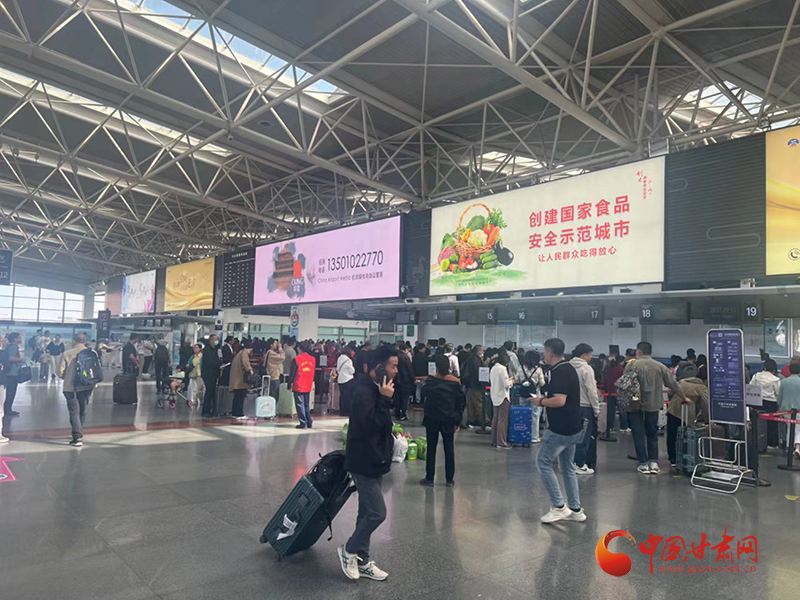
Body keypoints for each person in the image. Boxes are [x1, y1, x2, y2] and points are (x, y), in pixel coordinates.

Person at [339, 345, 398, 582]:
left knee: (365, 512)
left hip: (376, 459)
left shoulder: (377, 387)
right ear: (379, 367)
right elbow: (370, 425)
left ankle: (362, 560)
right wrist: (384, 400)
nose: (396, 371)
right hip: (362, 460)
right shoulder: (362, 390)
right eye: (393, 366)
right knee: (377, 513)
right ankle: (349, 549)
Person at [533, 338, 586, 524]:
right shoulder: (567, 368)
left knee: (542, 462)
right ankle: (576, 509)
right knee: (567, 466)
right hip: (573, 427)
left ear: (550, 352)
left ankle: (559, 507)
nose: (543, 355)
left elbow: (559, 400)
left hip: (560, 429)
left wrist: (540, 401)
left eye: (544, 352)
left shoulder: (560, 371)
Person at [625, 342, 687, 474]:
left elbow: (624, 384)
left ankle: (643, 463)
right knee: (652, 433)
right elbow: (673, 385)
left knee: (638, 434)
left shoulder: (631, 365)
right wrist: (684, 398)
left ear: (639, 352)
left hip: (635, 405)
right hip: (653, 405)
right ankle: (653, 462)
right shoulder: (660, 366)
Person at [420, 354, 465, 487]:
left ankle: (429, 478)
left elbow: (423, 393)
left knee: (431, 448)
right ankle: (449, 479)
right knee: (449, 449)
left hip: (432, 419)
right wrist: (457, 420)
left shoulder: (431, 381)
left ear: (437, 367)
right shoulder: (455, 383)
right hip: (449, 419)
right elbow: (461, 403)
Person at [58, 333, 98, 447]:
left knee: (73, 411)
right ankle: (79, 431)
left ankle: (77, 437)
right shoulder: (92, 353)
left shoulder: (67, 353)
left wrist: (67, 377)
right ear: (85, 342)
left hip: (71, 387)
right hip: (87, 385)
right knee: (82, 410)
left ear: (74, 341)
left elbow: (59, 371)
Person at [666, 364, 708, 468]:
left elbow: (670, 394)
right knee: (684, 437)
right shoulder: (700, 386)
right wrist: (708, 419)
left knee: (672, 435)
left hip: (672, 411)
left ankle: (672, 458)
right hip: (686, 413)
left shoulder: (681, 382)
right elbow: (706, 403)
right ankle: (683, 458)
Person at [570, 343, 600, 474]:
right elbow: (591, 391)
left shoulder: (568, 366)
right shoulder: (586, 369)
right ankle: (580, 464)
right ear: (584, 355)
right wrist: (596, 409)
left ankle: (569, 462)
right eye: (590, 354)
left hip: (570, 407)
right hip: (585, 408)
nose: (591, 357)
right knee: (584, 437)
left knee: (571, 436)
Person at [751, 359, 782, 449]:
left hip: (757, 401)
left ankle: (756, 441)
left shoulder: (756, 376)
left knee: (757, 423)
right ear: (774, 369)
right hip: (771, 403)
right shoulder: (776, 380)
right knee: (772, 424)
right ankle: (772, 444)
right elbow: (778, 393)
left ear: (764, 367)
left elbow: (751, 386)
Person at [519, 350, 546, 443]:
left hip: (523, 394)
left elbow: (517, 379)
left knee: (523, 414)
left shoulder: (521, 367)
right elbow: (542, 383)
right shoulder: (538, 369)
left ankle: (523, 435)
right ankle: (534, 437)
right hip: (535, 395)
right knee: (535, 415)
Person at [490, 351, 513, 449]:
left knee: (495, 419)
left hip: (494, 396)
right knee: (502, 421)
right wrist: (512, 381)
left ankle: (494, 440)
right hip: (503, 396)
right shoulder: (503, 369)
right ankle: (501, 442)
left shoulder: (493, 368)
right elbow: (506, 384)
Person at [290, 341, 316, 429]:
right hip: (308, 384)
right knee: (306, 404)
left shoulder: (296, 359)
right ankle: (309, 421)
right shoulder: (312, 359)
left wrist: (289, 383)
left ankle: (303, 422)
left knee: (299, 404)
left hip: (299, 384)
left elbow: (292, 373)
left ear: (300, 348)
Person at [778, 363, 800, 458]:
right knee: (798, 429)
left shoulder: (783, 382)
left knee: (790, 427)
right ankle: (797, 448)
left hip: (786, 410)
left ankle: (789, 447)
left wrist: (779, 408)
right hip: (798, 409)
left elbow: (780, 397)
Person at [603, 356, 629, 434]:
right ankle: (623, 427)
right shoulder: (620, 369)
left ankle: (610, 427)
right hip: (619, 393)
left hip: (609, 392)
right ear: (621, 362)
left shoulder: (608, 368)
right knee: (622, 410)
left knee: (610, 411)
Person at [462, 345, 486, 427]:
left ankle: (472, 420)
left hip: (470, 385)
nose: (483, 352)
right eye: (482, 350)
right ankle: (480, 421)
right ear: (478, 351)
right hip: (476, 385)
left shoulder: (470, 358)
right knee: (479, 404)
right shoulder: (476, 360)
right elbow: (477, 373)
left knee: (471, 404)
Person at [230, 341, 254, 420]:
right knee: (240, 397)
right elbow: (245, 363)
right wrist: (250, 370)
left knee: (237, 397)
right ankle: (239, 414)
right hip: (240, 380)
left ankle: (234, 413)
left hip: (236, 379)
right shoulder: (244, 353)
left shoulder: (240, 353)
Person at [3, 333, 24, 417]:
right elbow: (11, 358)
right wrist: (20, 359)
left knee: (10, 391)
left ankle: (7, 408)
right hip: (12, 373)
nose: (20, 339)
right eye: (18, 338)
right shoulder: (13, 347)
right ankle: (7, 409)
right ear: (14, 339)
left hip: (10, 372)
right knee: (11, 391)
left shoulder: (10, 346)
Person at [201, 334, 221, 417]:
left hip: (213, 373)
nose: (216, 342)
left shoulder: (215, 350)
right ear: (211, 340)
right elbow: (210, 362)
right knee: (209, 391)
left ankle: (212, 409)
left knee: (212, 392)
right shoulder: (208, 350)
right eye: (215, 340)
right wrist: (218, 364)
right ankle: (206, 410)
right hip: (208, 373)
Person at [395, 341, 415, 421]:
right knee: (404, 398)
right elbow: (409, 369)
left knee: (397, 397)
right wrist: (413, 379)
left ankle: (397, 413)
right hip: (405, 380)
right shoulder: (405, 357)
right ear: (405, 349)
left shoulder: (395, 356)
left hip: (396, 380)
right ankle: (403, 414)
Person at [337, 346, 356, 416]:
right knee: (348, 396)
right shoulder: (348, 360)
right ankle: (347, 411)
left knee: (342, 396)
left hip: (340, 379)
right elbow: (352, 371)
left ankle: (342, 411)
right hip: (348, 379)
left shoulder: (339, 358)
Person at [153, 336, 172, 403]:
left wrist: (153, 361)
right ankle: (164, 388)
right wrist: (170, 361)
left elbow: (154, 353)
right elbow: (169, 353)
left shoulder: (156, 344)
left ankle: (158, 389)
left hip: (158, 361)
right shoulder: (167, 344)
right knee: (165, 374)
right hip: (165, 361)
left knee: (158, 374)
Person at [187, 343, 204, 407]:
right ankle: (194, 400)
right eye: (194, 348)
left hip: (201, 374)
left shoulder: (202, 356)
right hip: (194, 374)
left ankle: (202, 400)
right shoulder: (193, 356)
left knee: (201, 388)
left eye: (196, 348)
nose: (195, 349)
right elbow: (189, 363)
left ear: (200, 349)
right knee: (194, 388)